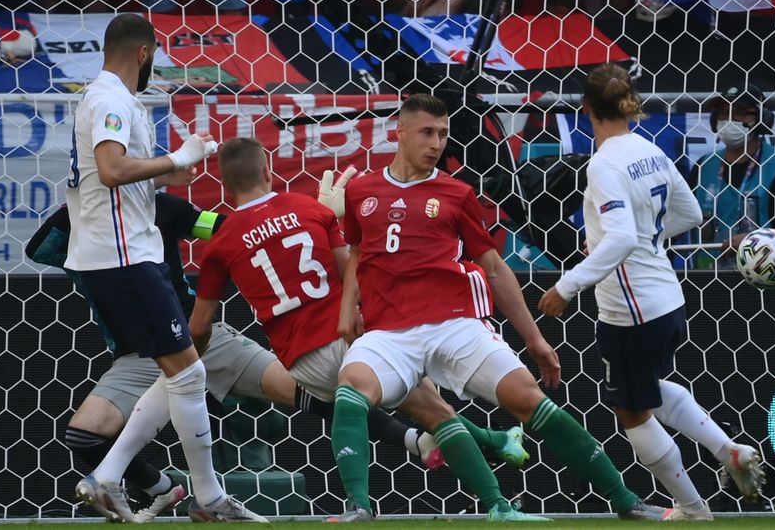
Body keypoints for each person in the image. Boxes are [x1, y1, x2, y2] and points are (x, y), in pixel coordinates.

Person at [329, 93, 664, 523]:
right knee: (350, 387)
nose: (437, 143)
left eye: (444, 134)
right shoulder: (361, 192)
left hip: (455, 323)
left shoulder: (457, 193)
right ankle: (359, 508)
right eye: (428, 132)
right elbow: (359, 254)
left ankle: (626, 501)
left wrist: (535, 339)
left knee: (529, 399)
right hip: (389, 332)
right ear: (401, 132)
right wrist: (347, 309)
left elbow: (494, 268)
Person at [26, 194, 451, 521]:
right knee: (85, 435)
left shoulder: (164, 209)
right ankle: (163, 489)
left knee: (301, 387)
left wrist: (297, 221)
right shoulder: (81, 233)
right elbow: (37, 249)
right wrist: (81, 204)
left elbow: (224, 229)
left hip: (206, 337)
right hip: (139, 356)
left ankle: (412, 440)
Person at [188, 138, 531, 522]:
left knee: (419, 404)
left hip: (301, 360)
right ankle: (497, 501)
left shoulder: (220, 243)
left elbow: (201, 324)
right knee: (433, 409)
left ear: (223, 183)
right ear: (268, 172)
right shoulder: (308, 209)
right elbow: (348, 271)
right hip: (345, 336)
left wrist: (188, 362)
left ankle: (495, 443)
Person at [537, 63, 766, 521]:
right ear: (629, 105)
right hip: (667, 299)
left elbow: (621, 238)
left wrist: (567, 285)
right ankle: (729, 452)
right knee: (652, 391)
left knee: (632, 411)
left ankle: (692, 509)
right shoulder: (649, 149)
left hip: (631, 311)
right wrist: (647, 240)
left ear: (586, 109)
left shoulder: (603, 162)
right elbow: (688, 213)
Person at [65, 13, 262, 523]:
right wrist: (178, 160)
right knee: (189, 372)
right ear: (145, 53)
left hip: (122, 255)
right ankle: (207, 498)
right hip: (123, 257)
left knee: (179, 373)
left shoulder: (107, 98)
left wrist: (176, 170)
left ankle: (113, 476)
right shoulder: (110, 99)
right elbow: (111, 170)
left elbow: (120, 180)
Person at [690, 83, 775, 268]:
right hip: (710, 282)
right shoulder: (704, 166)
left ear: (762, 118)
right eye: (723, 113)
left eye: (739, 113)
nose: (729, 120)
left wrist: (759, 241)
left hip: (770, 278)